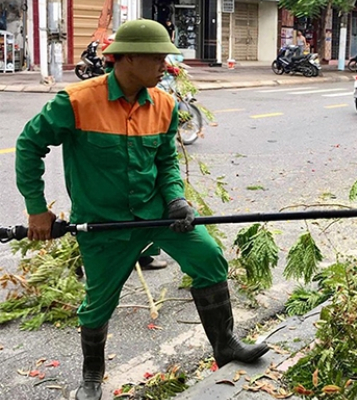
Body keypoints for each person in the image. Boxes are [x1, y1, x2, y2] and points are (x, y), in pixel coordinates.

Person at [14, 19, 268, 400]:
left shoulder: (164, 104)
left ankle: (225, 344)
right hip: (102, 224)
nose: (165, 65)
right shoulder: (77, 101)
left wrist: (176, 199)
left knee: (209, 255)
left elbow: (166, 162)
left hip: (157, 215)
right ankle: (92, 375)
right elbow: (28, 145)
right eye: (158, 58)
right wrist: (37, 210)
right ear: (127, 58)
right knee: (98, 303)